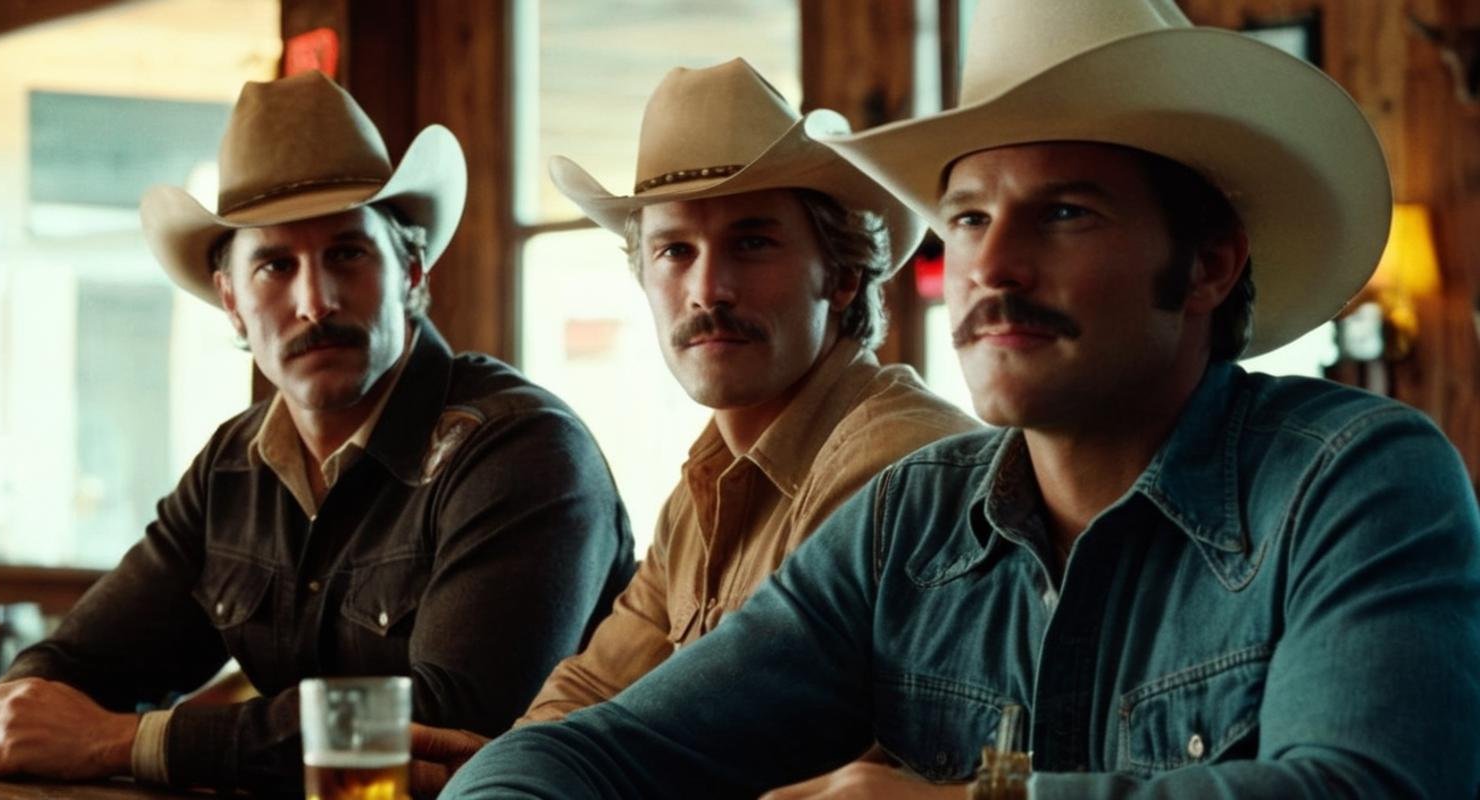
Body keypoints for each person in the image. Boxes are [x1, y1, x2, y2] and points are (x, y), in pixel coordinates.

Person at [442, 2, 1480, 798]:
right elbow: (600, 750)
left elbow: (1361, 787)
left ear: (1207, 263)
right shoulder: (911, 519)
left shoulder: (1355, 476)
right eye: (970, 217)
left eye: (1064, 213)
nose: (993, 267)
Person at [0, 71, 635, 796]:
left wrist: (125, 742)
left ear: (411, 270)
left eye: (347, 254)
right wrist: (36, 709)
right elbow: (64, 672)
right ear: (230, 301)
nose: (315, 302)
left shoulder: (520, 450)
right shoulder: (231, 467)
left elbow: (450, 726)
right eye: (275, 266)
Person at [408, 58, 977, 792]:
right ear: (642, 276)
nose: (708, 289)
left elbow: (720, 757)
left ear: (840, 276)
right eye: (675, 250)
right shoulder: (704, 484)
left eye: (751, 242)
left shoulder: (898, 463)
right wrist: (514, 767)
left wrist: (523, 771)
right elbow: (582, 702)